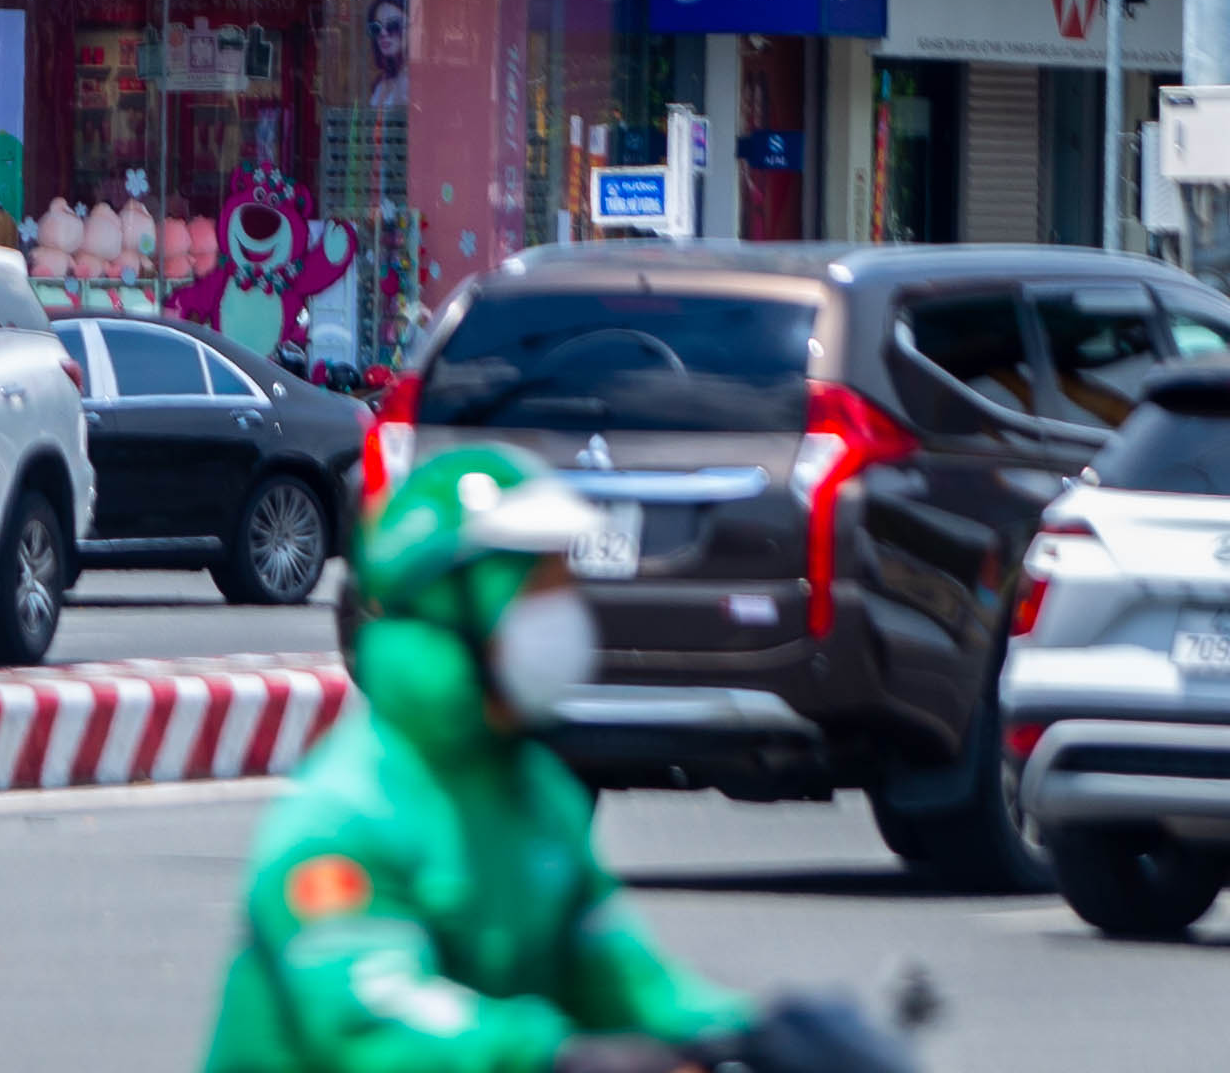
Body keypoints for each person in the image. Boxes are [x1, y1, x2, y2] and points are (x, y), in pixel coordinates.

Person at [207, 447, 802, 1073]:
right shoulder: (345, 819)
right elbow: (373, 1023)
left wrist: (754, 1032)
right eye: (536, 591)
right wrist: (554, 1058)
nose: (563, 615)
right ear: (455, 606)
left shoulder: (538, 794)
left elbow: (621, 981)